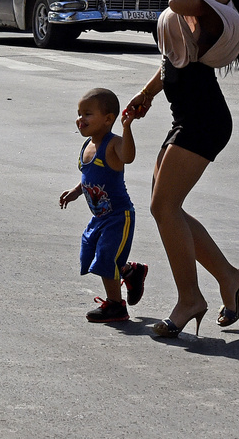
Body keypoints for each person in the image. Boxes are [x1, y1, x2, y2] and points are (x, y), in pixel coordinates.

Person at [123, 0, 239, 338]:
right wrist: (146, 94)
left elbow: (178, 2)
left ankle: (190, 299)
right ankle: (230, 278)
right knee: (168, 209)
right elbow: (174, 60)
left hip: (203, 120)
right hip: (189, 116)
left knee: (164, 208)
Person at [59, 88, 149, 324]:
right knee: (91, 252)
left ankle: (116, 306)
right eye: (79, 113)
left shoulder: (113, 144)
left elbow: (128, 157)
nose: (81, 119)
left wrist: (127, 128)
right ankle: (130, 272)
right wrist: (76, 191)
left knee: (106, 258)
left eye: (88, 114)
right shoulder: (87, 146)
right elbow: (90, 177)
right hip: (100, 218)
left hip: (119, 216)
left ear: (108, 119)